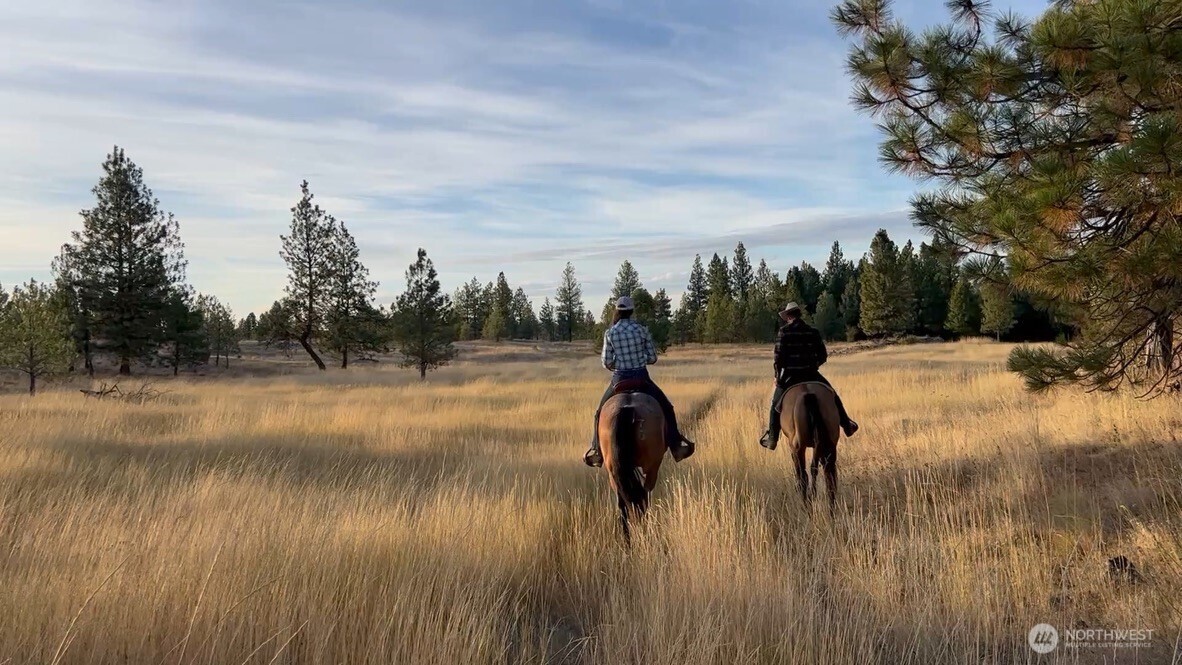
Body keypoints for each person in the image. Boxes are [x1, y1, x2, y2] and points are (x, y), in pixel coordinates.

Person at [584, 296, 695, 467]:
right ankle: (676, 446)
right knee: (667, 408)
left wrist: (619, 363)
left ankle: (597, 451)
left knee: (600, 413)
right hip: (641, 378)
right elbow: (652, 357)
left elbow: (606, 362)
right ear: (631, 311)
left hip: (619, 379)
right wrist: (639, 359)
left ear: (617, 311)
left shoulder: (610, 333)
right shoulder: (641, 330)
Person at [759, 302, 859, 449]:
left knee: (775, 404)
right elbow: (823, 355)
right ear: (799, 314)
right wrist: (813, 366)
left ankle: (773, 438)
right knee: (833, 395)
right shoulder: (812, 331)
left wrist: (777, 377)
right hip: (811, 374)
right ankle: (847, 425)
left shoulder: (784, 332)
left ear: (788, 316)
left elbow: (778, 359)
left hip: (790, 376)